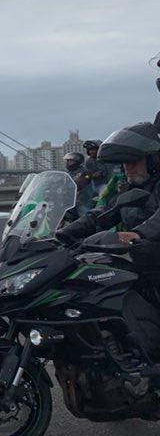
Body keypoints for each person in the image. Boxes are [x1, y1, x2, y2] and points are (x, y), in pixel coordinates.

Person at [56, 122, 160, 357]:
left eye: (133, 162)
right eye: (124, 163)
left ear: (153, 160)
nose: (128, 168)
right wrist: (64, 233)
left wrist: (140, 233)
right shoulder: (128, 188)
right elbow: (101, 214)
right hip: (138, 257)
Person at [64, 152, 94, 217]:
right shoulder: (68, 173)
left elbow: (80, 184)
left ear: (77, 162)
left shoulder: (86, 173)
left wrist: (73, 184)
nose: (68, 163)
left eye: (70, 161)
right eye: (67, 161)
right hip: (69, 202)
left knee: (84, 216)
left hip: (82, 201)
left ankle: (89, 226)